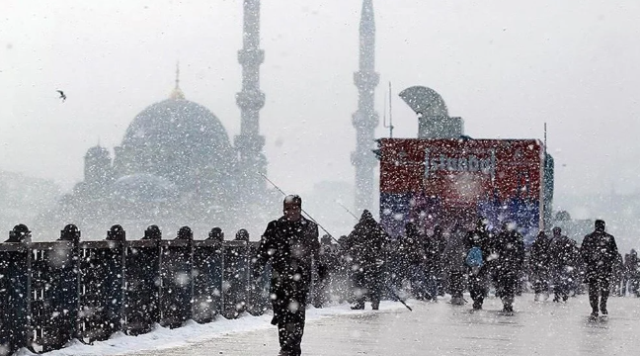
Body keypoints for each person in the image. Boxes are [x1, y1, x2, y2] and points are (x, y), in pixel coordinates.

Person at [253, 195, 320, 356]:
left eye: (294, 208)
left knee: (296, 313)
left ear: (299, 208)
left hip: (300, 278)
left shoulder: (309, 227)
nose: (290, 212)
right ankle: (286, 343)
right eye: (287, 208)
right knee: (281, 312)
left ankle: (292, 347)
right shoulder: (275, 226)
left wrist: (319, 268)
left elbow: (315, 251)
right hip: (279, 277)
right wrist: (258, 265)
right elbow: (264, 249)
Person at [344, 210, 388, 310]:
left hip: (361, 262)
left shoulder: (358, 228)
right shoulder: (378, 228)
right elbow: (386, 240)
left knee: (359, 282)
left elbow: (348, 242)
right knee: (375, 283)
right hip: (374, 262)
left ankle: (360, 302)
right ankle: (375, 302)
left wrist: (353, 249)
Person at [580, 219, 618, 320]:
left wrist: (590, 260)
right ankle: (602, 305)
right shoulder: (609, 238)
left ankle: (595, 308)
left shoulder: (589, 238)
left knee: (593, 290)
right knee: (604, 289)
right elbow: (615, 253)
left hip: (593, 268)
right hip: (605, 268)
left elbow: (582, 252)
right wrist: (607, 258)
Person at [493, 221, 525, 314]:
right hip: (510, 266)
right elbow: (521, 251)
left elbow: (495, 251)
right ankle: (508, 304)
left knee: (503, 286)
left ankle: (506, 303)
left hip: (503, 266)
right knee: (509, 286)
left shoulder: (500, 237)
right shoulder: (515, 237)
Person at [466, 218, 492, 311]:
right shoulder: (487, 235)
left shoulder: (471, 234)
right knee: (481, 284)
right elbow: (490, 250)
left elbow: (466, 248)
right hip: (483, 264)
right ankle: (479, 300)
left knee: (473, 283)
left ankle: (476, 299)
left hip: (473, 264)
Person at [548, 227, 577, 303]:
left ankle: (557, 296)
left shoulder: (552, 240)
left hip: (556, 263)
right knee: (564, 280)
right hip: (564, 263)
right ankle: (564, 295)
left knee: (556, 280)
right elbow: (572, 247)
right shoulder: (565, 239)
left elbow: (548, 252)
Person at [529, 231, 551, 301]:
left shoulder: (535, 242)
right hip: (544, 264)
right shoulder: (547, 243)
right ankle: (545, 293)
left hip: (537, 264)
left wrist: (532, 263)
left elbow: (532, 254)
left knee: (537, 280)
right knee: (544, 279)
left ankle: (537, 294)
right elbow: (549, 254)